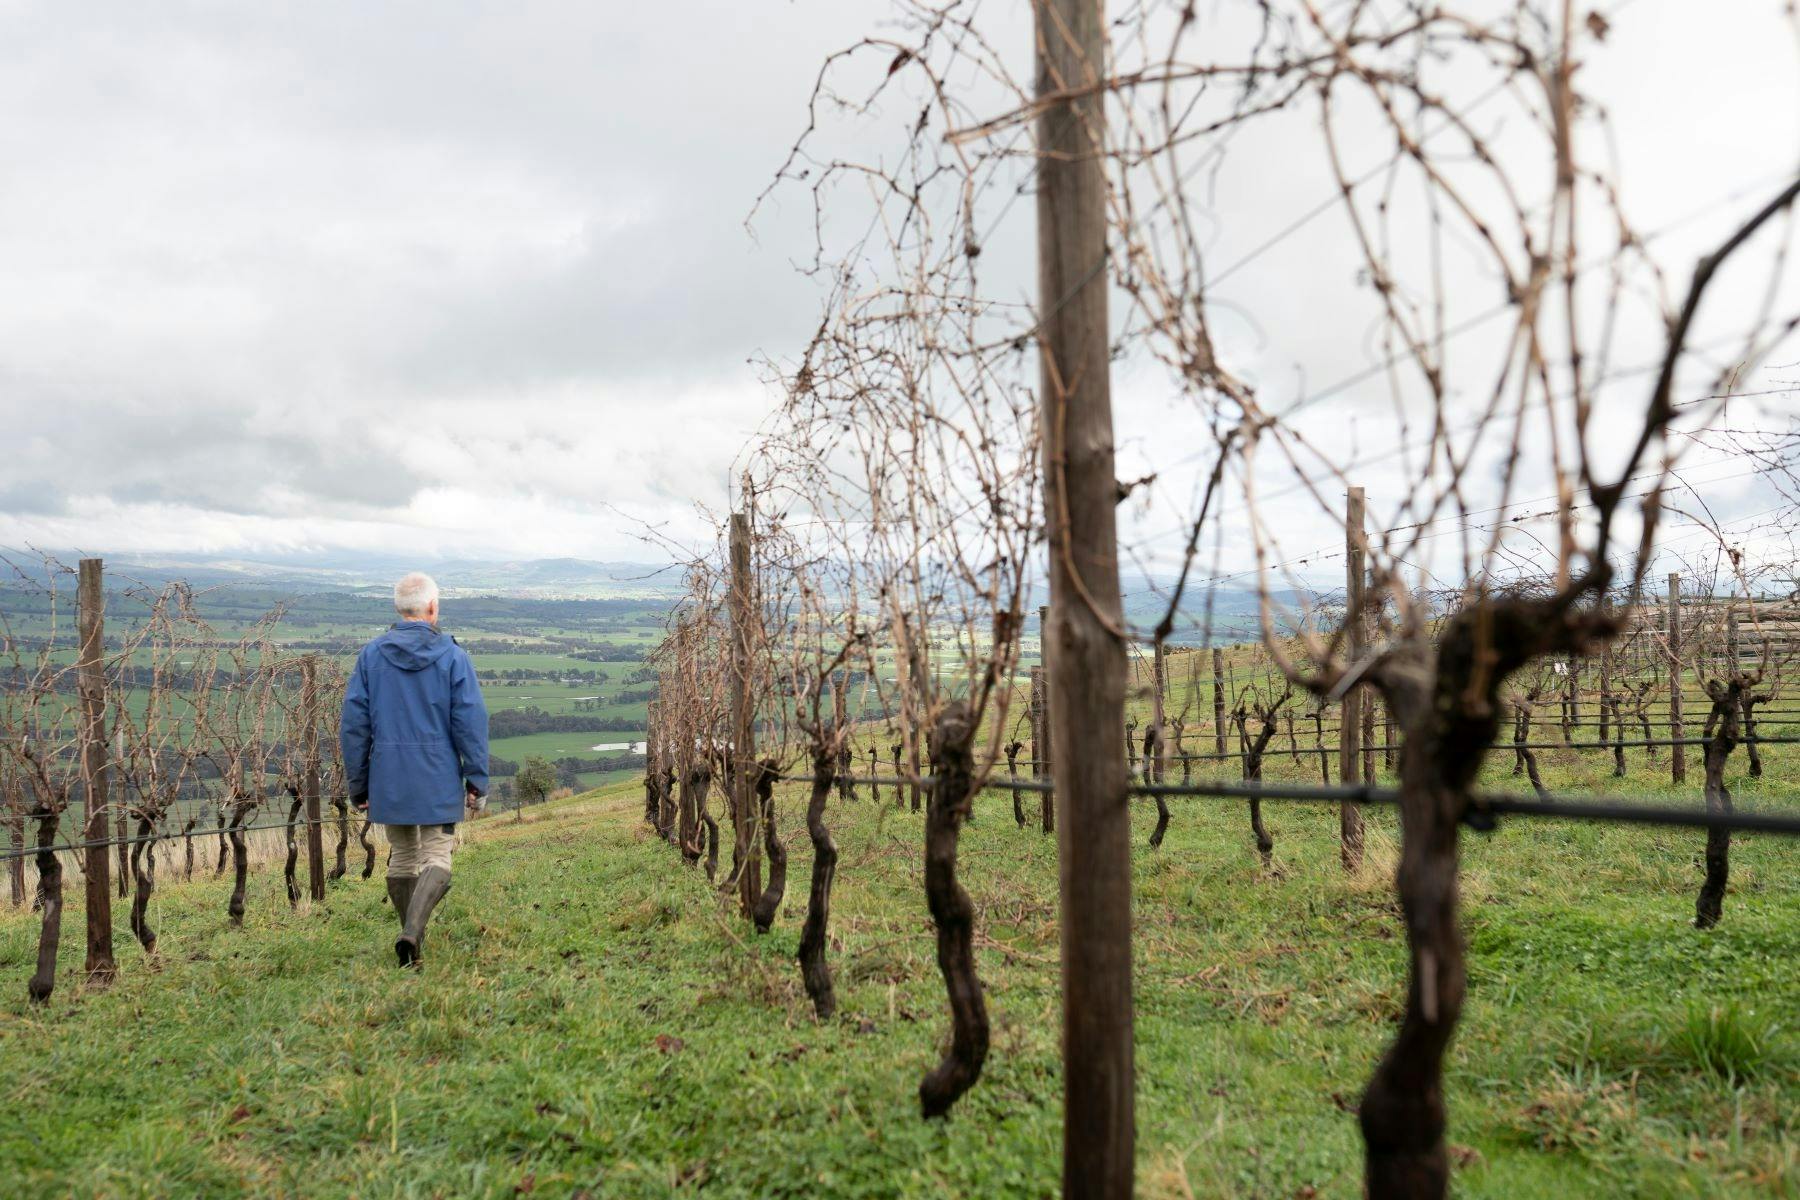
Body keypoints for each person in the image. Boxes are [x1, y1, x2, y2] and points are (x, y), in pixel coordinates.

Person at [340, 572, 489, 967]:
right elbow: (470, 722)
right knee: (438, 855)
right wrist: (477, 779)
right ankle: (411, 934)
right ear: (433, 608)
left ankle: (410, 946)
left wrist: (359, 785)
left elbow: (355, 726)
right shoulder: (454, 656)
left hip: (388, 776)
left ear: (398, 608)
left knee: (403, 857)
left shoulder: (371, 656)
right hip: (438, 776)